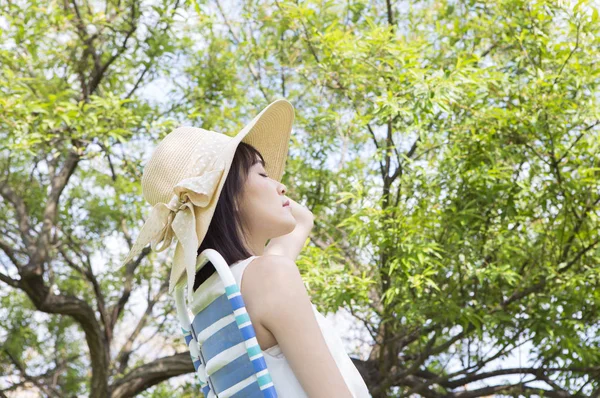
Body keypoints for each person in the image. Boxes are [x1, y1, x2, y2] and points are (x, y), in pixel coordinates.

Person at [119, 99, 371, 397]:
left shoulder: (224, 293)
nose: (282, 186)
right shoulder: (268, 277)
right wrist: (219, 189)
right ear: (231, 198)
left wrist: (226, 193)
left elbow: (302, 219)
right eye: (263, 174)